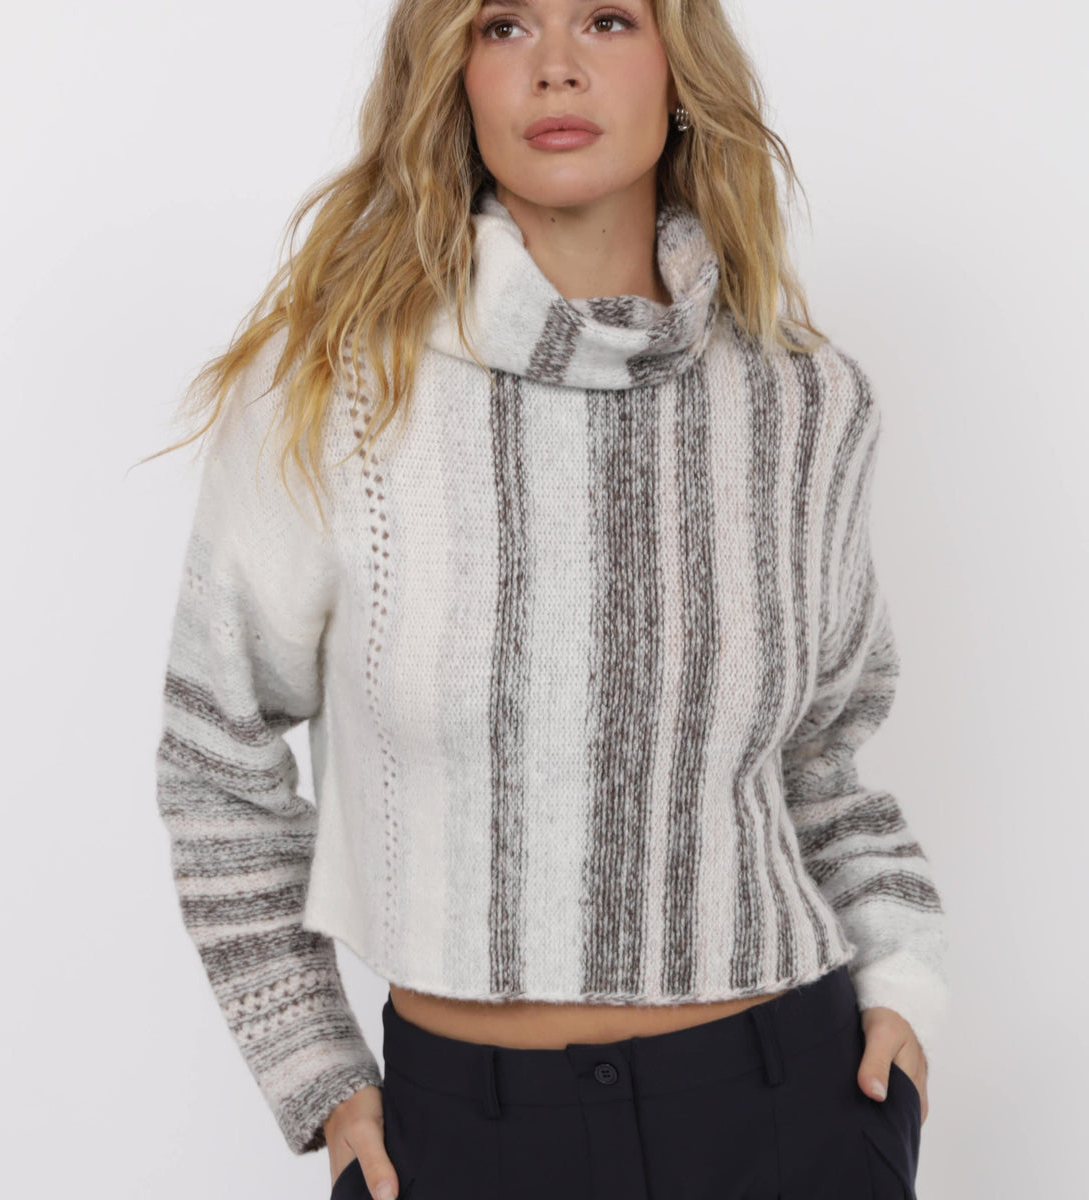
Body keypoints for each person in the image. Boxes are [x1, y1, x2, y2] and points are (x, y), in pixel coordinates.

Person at [148, 1, 950, 1196]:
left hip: (787, 1111)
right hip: (462, 1135)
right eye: (506, 26)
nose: (558, 68)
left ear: (680, 69)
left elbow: (824, 759)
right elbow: (216, 759)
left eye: (609, 20)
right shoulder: (333, 392)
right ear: (452, 77)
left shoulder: (804, 403)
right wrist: (315, 1064)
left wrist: (903, 990)